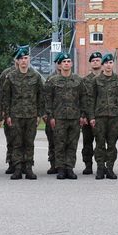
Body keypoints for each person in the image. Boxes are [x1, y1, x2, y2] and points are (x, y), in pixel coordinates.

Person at [0, 46, 44, 180]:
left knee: (29, 142)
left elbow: (40, 96)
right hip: (16, 115)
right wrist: (7, 115)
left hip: (31, 115)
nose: (24, 61)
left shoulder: (35, 76)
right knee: (17, 143)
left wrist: (39, 115)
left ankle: (29, 168)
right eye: (21, 59)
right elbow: (6, 97)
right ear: (17, 61)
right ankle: (17, 168)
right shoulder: (11, 76)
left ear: (29, 59)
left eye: (26, 58)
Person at [45, 51, 84, 180]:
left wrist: (82, 115)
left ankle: (69, 168)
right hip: (59, 117)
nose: (66, 64)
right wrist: (51, 116)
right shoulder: (53, 81)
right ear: (60, 65)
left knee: (72, 144)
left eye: (68, 62)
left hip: (74, 117)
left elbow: (83, 99)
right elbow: (48, 100)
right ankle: (60, 168)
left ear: (71, 64)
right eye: (64, 62)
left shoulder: (78, 80)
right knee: (59, 144)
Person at [86, 53, 118, 179]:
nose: (108, 65)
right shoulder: (96, 81)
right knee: (100, 143)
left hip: (114, 117)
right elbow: (91, 100)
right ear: (103, 65)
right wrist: (91, 117)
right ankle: (100, 168)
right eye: (106, 63)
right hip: (100, 117)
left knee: (112, 144)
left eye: (111, 62)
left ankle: (110, 168)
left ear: (113, 64)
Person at [80, 51, 103, 175]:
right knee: (87, 142)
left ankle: (101, 164)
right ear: (90, 63)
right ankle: (88, 165)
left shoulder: (106, 78)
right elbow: (82, 99)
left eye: (98, 60)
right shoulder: (84, 81)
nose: (95, 62)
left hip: (101, 116)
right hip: (88, 116)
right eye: (93, 60)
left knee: (101, 142)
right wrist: (83, 115)